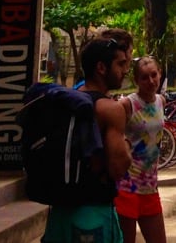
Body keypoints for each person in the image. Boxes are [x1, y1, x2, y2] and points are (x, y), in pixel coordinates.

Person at [42, 34, 132, 243]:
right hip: (93, 214)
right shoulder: (109, 109)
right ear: (101, 68)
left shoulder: (65, 102)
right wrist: (126, 145)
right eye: (119, 64)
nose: (124, 70)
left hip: (59, 215)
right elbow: (118, 168)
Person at [117, 56, 167, 243]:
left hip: (150, 187)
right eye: (144, 77)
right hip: (126, 187)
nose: (151, 81)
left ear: (160, 73)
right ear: (136, 80)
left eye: (154, 75)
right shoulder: (127, 105)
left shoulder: (161, 101)